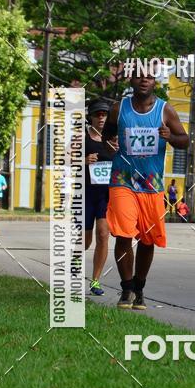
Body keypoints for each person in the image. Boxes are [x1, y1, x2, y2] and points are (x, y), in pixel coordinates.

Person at [103, 70, 188, 310]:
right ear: (131, 80)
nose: (144, 80)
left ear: (154, 81)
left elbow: (184, 141)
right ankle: (126, 288)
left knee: (148, 239)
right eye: (139, 76)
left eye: (149, 76)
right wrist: (109, 142)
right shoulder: (119, 108)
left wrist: (170, 136)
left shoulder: (165, 110)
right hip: (123, 179)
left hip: (151, 184)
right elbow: (107, 133)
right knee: (123, 233)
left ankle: (139, 288)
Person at [84, 98, 116, 296]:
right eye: (98, 114)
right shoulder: (82, 137)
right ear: (91, 117)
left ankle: (95, 280)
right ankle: (75, 261)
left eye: (104, 114)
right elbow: (65, 161)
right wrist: (83, 160)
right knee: (85, 242)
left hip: (106, 194)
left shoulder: (114, 138)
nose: (101, 118)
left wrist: (118, 153)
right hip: (86, 194)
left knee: (103, 235)